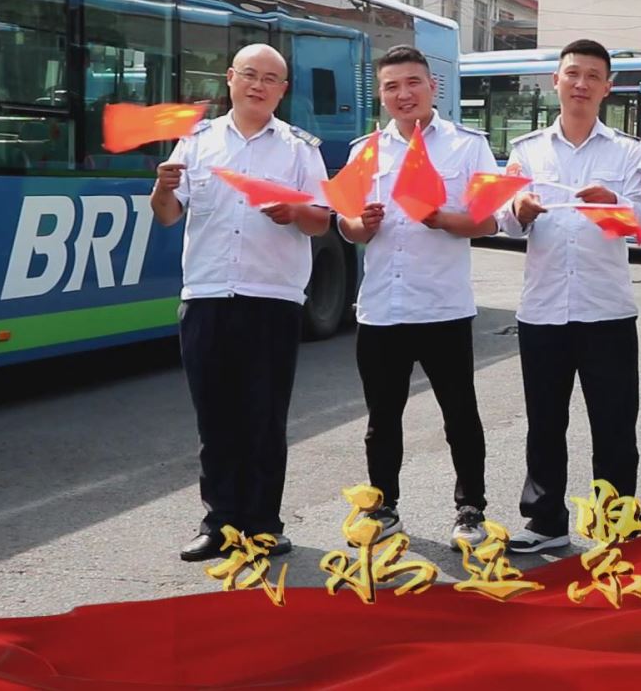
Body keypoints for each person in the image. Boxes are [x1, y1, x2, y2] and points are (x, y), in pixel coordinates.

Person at [151, 43, 330, 562]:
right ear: (230, 78)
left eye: (270, 79)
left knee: (264, 418)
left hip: (272, 297)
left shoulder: (299, 149)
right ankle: (220, 524)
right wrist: (161, 188)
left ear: (283, 90)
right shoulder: (197, 142)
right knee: (214, 419)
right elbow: (168, 214)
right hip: (207, 295)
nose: (258, 85)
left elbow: (322, 221)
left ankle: (264, 524)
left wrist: (294, 211)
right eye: (250, 74)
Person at [336, 45, 498, 547]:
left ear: (433, 86)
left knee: (460, 414)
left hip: (443, 305)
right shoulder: (365, 151)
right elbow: (345, 224)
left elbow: (489, 220)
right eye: (391, 86)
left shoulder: (467, 146)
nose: (403, 94)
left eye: (412, 83)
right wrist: (361, 224)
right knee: (382, 419)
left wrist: (441, 218)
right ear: (381, 94)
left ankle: (470, 509)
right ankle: (383, 506)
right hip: (382, 307)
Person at [497, 39, 641, 554]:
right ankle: (545, 521)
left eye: (592, 76)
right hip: (543, 309)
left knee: (614, 425)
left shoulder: (627, 151)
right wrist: (518, 210)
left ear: (607, 88)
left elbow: (640, 225)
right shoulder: (527, 150)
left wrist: (613, 203)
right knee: (544, 423)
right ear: (556, 81)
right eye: (572, 74)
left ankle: (615, 523)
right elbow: (503, 220)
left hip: (607, 310)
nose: (581, 84)